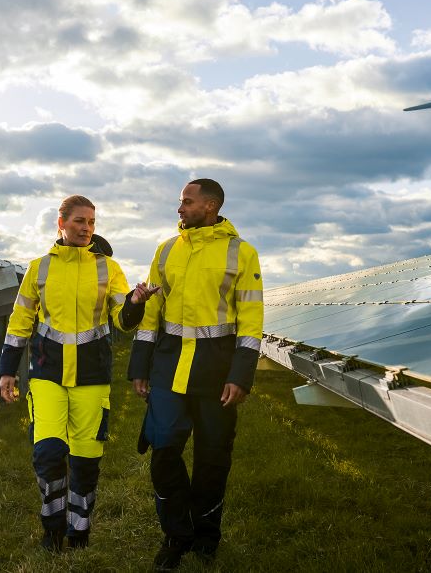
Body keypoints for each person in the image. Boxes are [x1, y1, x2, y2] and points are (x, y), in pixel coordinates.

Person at [0, 195, 159, 552]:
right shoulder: (39, 268)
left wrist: (134, 302)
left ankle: (79, 531)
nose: (86, 229)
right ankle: (52, 528)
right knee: (48, 453)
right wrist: (7, 371)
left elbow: (122, 319)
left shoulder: (108, 268)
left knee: (85, 461)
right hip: (47, 374)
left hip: (92, 376)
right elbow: (20, 322)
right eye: (79, 222)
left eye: (91, 223)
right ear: (61, 223)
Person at [128, 178, 263, 570]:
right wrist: (140, 366)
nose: (180, 208)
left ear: (211, 205)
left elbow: (251, 322)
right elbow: (151, 314)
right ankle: (176, 534)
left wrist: (240, 376)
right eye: (180, 202)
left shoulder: (242, 253)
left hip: (217, 371)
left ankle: (206, 536)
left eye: (186, 201)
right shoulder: (166, 249)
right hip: (168, 368)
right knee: (164, 449)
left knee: (212, 457)